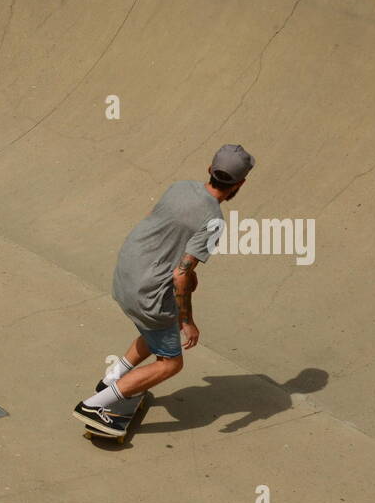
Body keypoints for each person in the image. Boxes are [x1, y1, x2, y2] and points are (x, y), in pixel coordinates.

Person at [72, 144, 255, 436]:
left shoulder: (180, 187)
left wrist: (184, 277)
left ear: (209, 170)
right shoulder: (214, 222)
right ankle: (95, 405)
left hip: (125, 272)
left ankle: (112, 379)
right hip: (148, 291)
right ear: (240, 184)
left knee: (157, 328)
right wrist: (188, 321)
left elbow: (157, 224)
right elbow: (181, 276)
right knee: (171, 363)